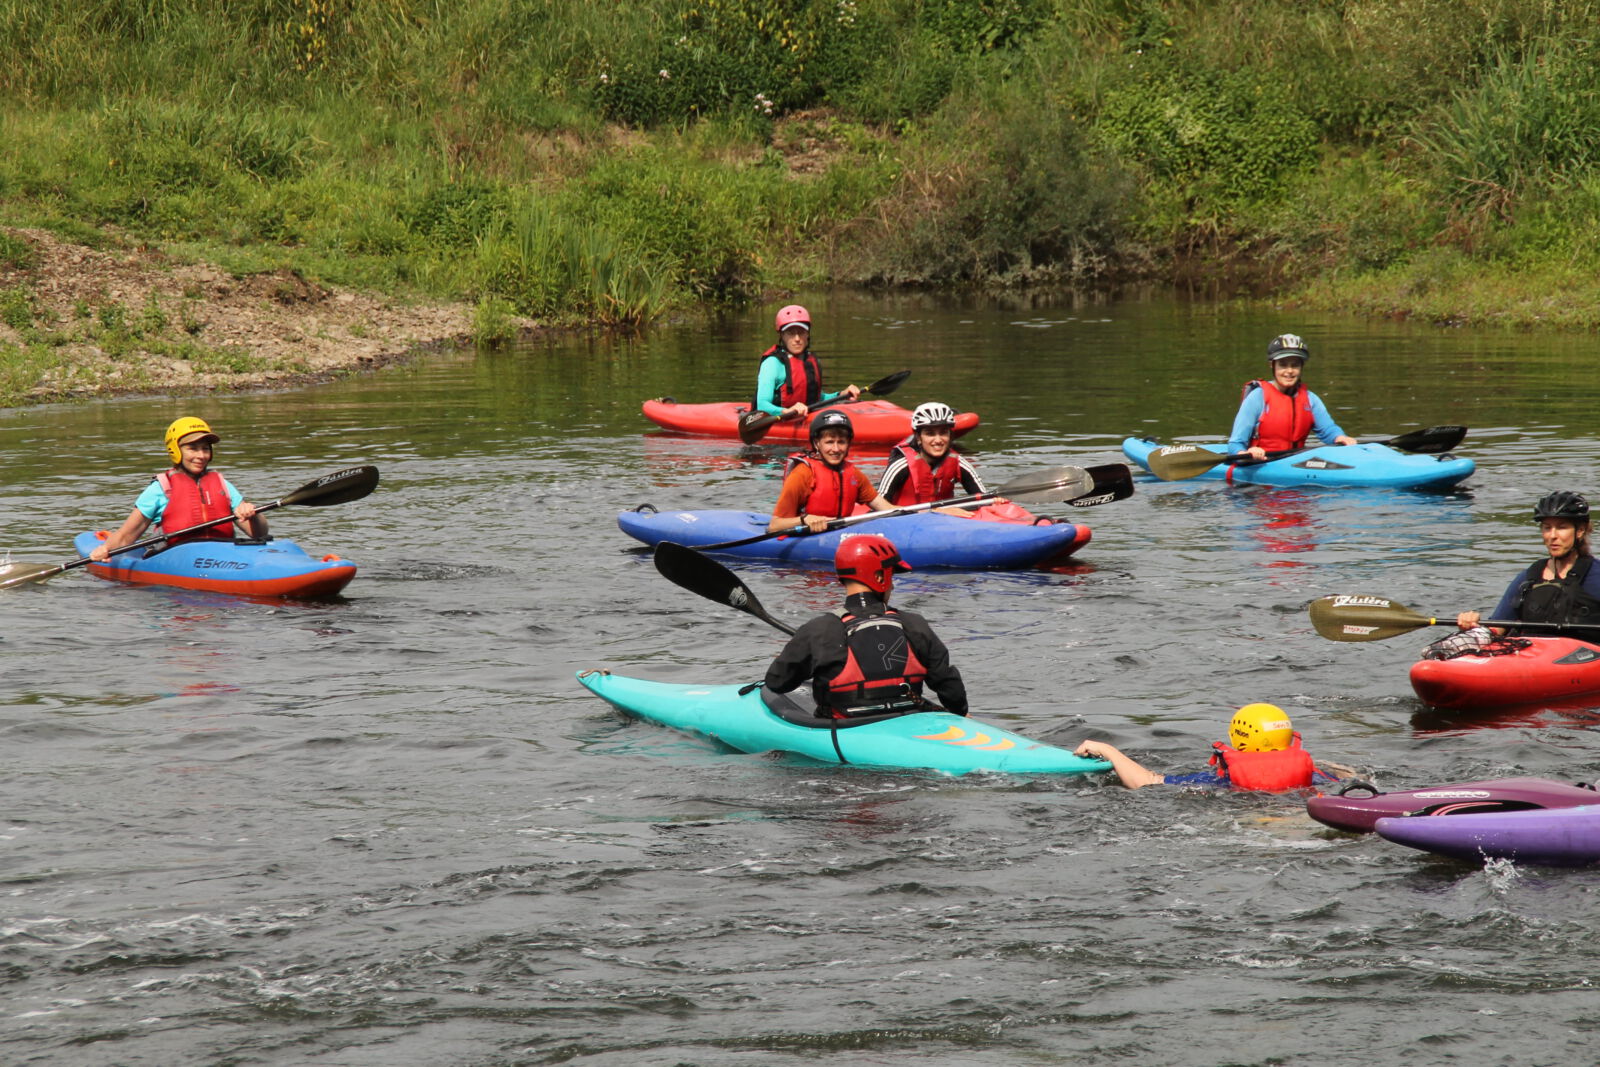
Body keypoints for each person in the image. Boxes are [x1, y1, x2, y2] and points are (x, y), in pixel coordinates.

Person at [764, 533, 968, 718]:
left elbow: (777, 682)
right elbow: (950, 688)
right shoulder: (914, 624)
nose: (892, 585)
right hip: (908, 722)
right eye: (891, 576)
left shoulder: (819, 630)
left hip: (846, 730)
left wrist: (797, 658)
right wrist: (960, 713)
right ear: (879, 577)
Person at [89, 417, 267, 562]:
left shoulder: (223, 485)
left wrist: (253, 514)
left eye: (205, 449)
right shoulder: (160, 489)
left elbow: (259, 533)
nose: (201, 455)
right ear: (175, 450)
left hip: (224, 556)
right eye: (192, 449)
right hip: (177, 560)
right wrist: (105, 549)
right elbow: (126, 536)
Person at [1073, 704, 1340, 791]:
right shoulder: (1316, 776)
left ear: (1240, 738)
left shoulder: (1222, 780)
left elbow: (1147, 782)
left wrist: (1108, 750)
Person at [1452, 491, 1600, 644]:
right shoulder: (1529, 578)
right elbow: (1497, 628)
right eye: (1547, 528)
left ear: (1580, 531)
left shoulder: (1596, 576)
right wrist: (1473, 626)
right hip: (1532, 654)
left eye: (1561, 528)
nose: (1552, 536)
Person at [1226, 334, 1357, 460]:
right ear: (1272, 365)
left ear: (1301, 366)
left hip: (1294, 461)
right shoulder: (1257, 397)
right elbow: (1235, 443)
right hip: (1260, 461)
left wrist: (1340, 438)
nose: (1289, 371)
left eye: (1295, 365)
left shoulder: (1310, 399)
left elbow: (1328, 430)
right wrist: (1245, 452)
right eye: (1283, 364)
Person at [767, 410, 895, 533]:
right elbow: (774, 525)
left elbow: (887, 508)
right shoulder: (802, 474)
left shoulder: (854, 474)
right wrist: (804, 519)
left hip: (840, 535)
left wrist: (907, 512)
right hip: (807, 536)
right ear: (817, 444)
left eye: (841, 442)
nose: (836, 449)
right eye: (829, 442)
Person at [876, 401, 988, 517]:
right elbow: (878, 508)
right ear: (918, 437)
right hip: (904, 522)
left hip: (946, 522)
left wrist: (997, 502)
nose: (938, 440)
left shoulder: (960, 463)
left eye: (943, 433)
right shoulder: (900, 466)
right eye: (930, 434)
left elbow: (985, 500)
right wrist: (935, 511)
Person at [752, 304, 860, 420]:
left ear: (807, 334)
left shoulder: (809, 360)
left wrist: (841, 395)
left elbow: (817, 398)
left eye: (801, 332)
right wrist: (787, 411)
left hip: (806, 418)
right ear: (782, 335)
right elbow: (762, 405)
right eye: (791, 333)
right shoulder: (772, 364)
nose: (797, 338)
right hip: (778, 420)